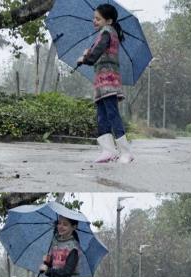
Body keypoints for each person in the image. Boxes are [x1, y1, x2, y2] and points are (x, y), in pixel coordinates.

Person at [77, 3, 134, 164]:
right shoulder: (104, 33)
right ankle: (108, 151)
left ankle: (126, 151)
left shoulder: (107, 32)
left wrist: (86, 58)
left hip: (109, 82)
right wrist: (87, 55)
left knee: (112, 114)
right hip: (101, 83)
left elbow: (97, 52)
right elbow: (98, 52)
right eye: (94, 18)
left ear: (108, 21)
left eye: (98, 19)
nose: (94, 21)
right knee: (102, 116)